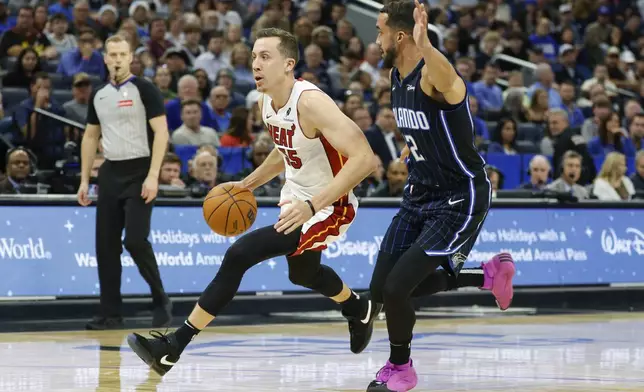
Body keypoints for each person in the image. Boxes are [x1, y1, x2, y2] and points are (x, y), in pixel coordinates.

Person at [126, 27, 381, 376]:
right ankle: (358, 307)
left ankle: (173, 346)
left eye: (265, 56)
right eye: (253, 56)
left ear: (288, 64)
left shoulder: (311, 102)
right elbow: (284, 149)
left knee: (239, 254)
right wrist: (247, 183)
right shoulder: (265, 101)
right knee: (303, 273)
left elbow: (366, 160)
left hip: (329, 203)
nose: (255, 63)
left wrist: (311, 206)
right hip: (297, 196)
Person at [356, 1, 517, 390]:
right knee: (380, 291)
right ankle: (487, 274)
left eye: (378, 32)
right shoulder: (396, 74)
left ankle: (401, 369)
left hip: (458, 197)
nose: (374, 40)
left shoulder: (431, 74)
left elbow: (452, 85)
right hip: (419, 193)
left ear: (399, 35)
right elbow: (426, 126)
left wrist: (427, 45)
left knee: (397, 290)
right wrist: (417, 146)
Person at [76, 34, 173, 330]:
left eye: (122, 54)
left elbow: (162, 133)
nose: (117, 59)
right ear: (105, 58)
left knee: (134, 240)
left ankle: (161, 299)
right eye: (112, 54)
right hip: (110, 173)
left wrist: (154, 175)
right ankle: (110, 313)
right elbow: (91, 136)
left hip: (141, 170)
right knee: (105, 246)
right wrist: (83, 180)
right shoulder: (100, 95)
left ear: (131, 57)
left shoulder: (145, 89)